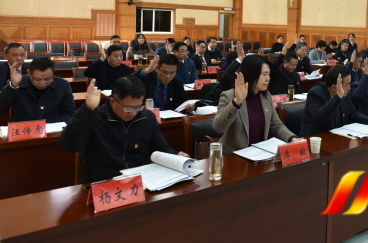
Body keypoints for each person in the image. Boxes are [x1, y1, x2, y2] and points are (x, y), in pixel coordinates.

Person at [58, 77, 189, 184]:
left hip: (140, 181)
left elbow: (160, 148)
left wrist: (176, 155)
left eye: (138, 107)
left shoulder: (146, 117)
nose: (133, 113)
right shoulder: (94, 118)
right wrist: (87, 110)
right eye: (128, 108)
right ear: (113, 101)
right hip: (104, 182)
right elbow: (68, 146)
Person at [213, 55, 302, 154]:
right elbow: (218, 128)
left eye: (269, 74)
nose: (268, 79)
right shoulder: (229, 96)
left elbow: (276, 125)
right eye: (264, 74)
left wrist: (292, 139)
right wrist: (237, 101)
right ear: (251, 75)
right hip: (233, 155)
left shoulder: (266, 96)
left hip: (259, 153)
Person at [299, 65, 368, 137]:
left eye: (349, 84)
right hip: (314, 139)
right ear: (334, 87)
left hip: (336, 137)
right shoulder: (315, 94)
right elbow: (320, 118)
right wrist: (338, 97)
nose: (349, 88)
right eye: (347, 85)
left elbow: (353, 114)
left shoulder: (345, 94)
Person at [0, 57, 75, 122]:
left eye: (47, 79)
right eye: (37, 79)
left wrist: (56, 126)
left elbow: (69, 113)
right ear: (29, 73)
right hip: (24, 129)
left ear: (53, 72)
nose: (43, 83)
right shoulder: (18, 83)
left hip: (52, 128)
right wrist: (13, 85)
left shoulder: (63, 85)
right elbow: (1, 109)